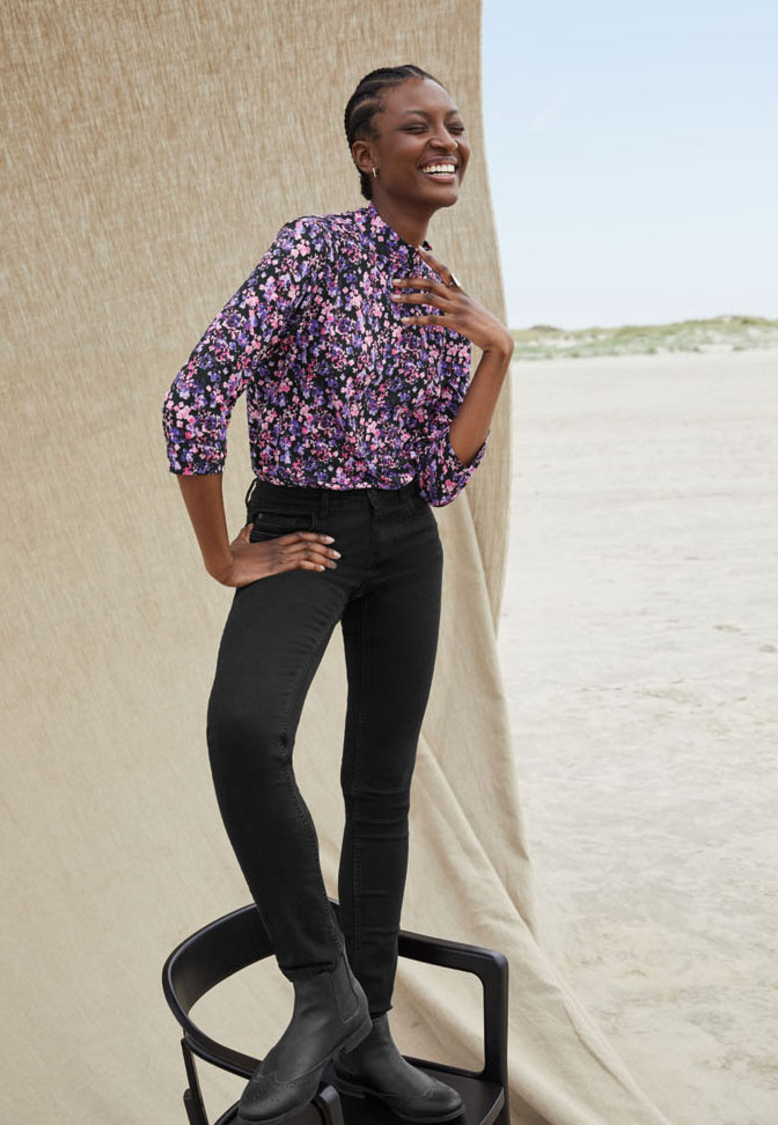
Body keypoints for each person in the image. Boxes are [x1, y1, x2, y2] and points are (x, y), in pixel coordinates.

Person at [161, 64, 513, 1125]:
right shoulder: (312, 249)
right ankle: (323, 988)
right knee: (244, 729)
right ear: (367, 153)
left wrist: (494, 350)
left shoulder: (437, 286)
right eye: (416, 127)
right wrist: (225, 552)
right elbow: (195, 395)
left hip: (406, 541)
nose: (444, 141)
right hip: (304, 529)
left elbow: (442, 473)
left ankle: (368, 1040)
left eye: (453, 124)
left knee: (380, 789)